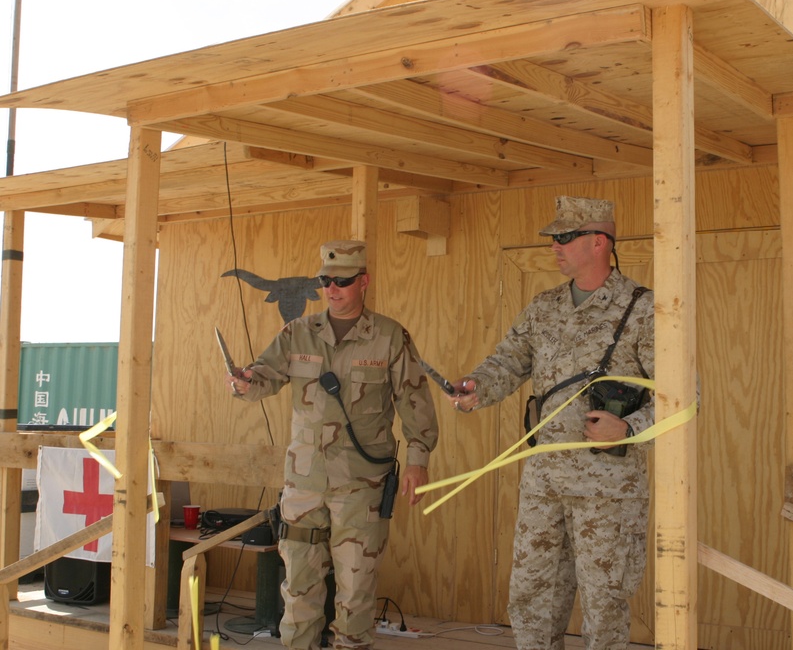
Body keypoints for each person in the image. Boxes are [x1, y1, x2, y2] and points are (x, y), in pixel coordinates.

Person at [448, 196, 655, 650]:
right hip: (544, 479)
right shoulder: (544, 308)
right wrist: (477, 387)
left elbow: (682, 395)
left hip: (608, 486)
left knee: (604, 602)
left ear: (599, 242)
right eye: (553, 238)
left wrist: (630, 427)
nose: (554, 247)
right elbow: (509, 361)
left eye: (564, 237)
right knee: (531, 593)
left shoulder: (642, 309)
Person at [225, 240, 439, 650]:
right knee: (299, 591)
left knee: (356, 592)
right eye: (325, 280)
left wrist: (418, 461)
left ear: (364, 282)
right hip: (304, 484)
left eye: (342, 280)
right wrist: (244, 383)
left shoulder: (390, 337)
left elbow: (415, 402)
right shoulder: (298, 332)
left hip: (362, 487)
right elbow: (263, 378)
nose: (332, 288)